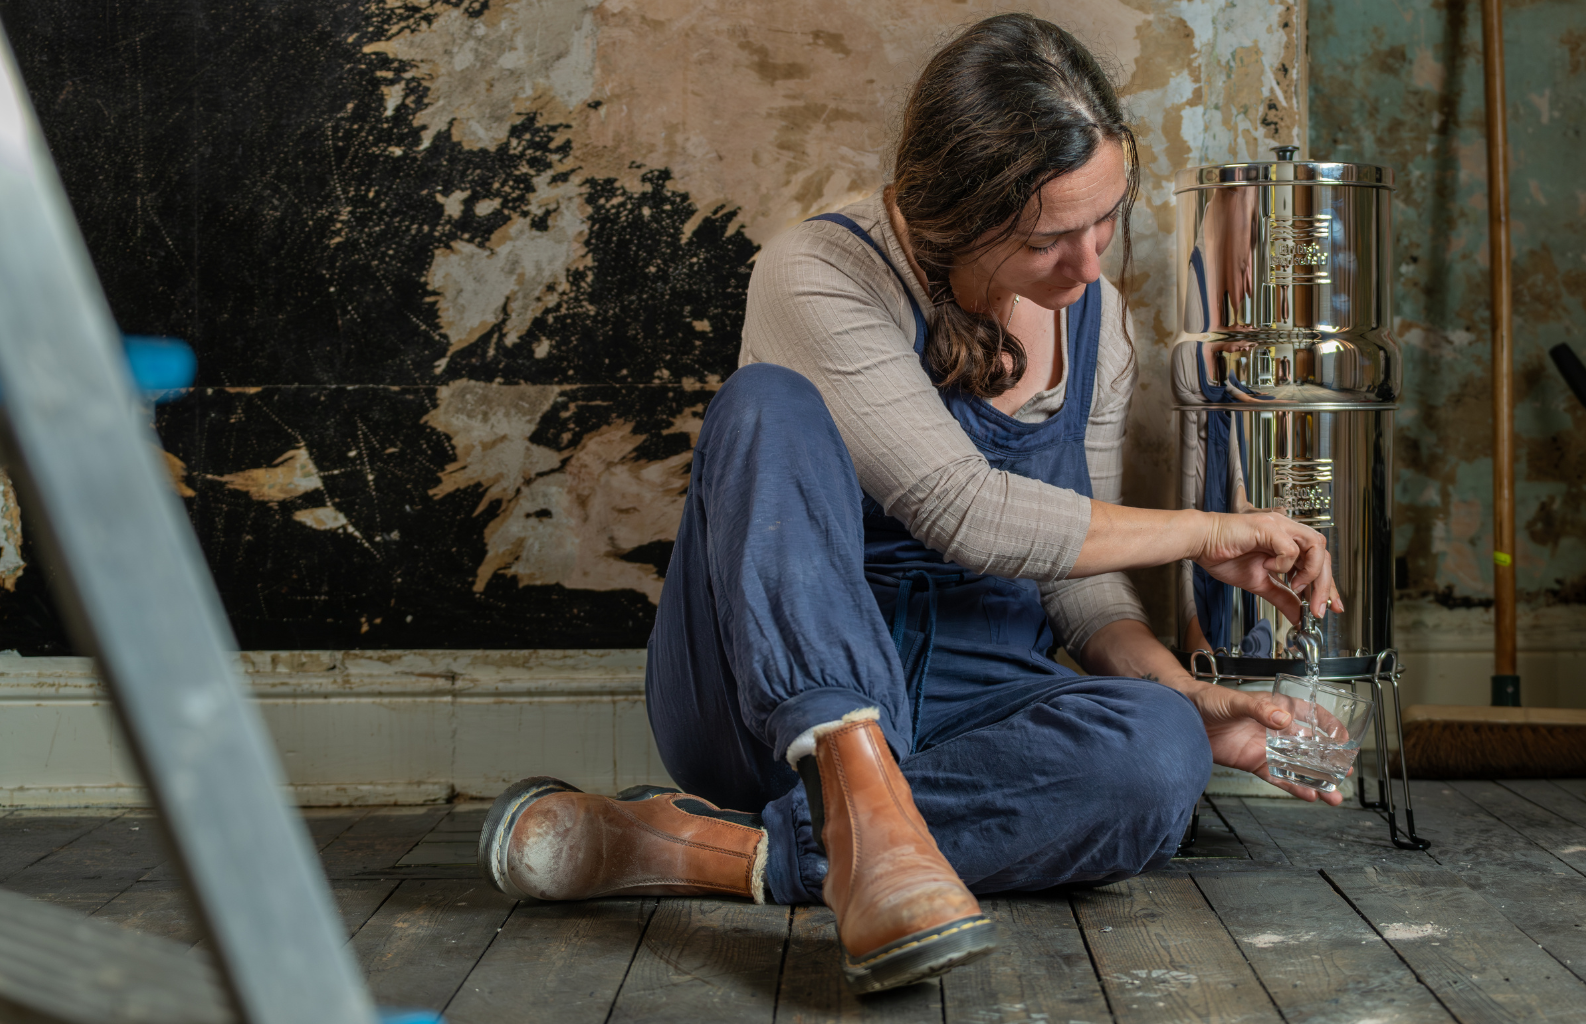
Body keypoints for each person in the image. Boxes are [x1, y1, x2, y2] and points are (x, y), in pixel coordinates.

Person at [476, 13, 1341, 995]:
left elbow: (1081, 594)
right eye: (1051, 237)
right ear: (956, 215)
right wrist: (1207, 530)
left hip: (972, 708)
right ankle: (844, 794)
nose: (1091, 265)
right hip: (761, 704)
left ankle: (697, 849)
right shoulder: (816, 274)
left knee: (1157, 759)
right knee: (764, 406)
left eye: (1107, 218)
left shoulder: (1095, 322)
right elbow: (963, 510)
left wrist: (1188, 699)